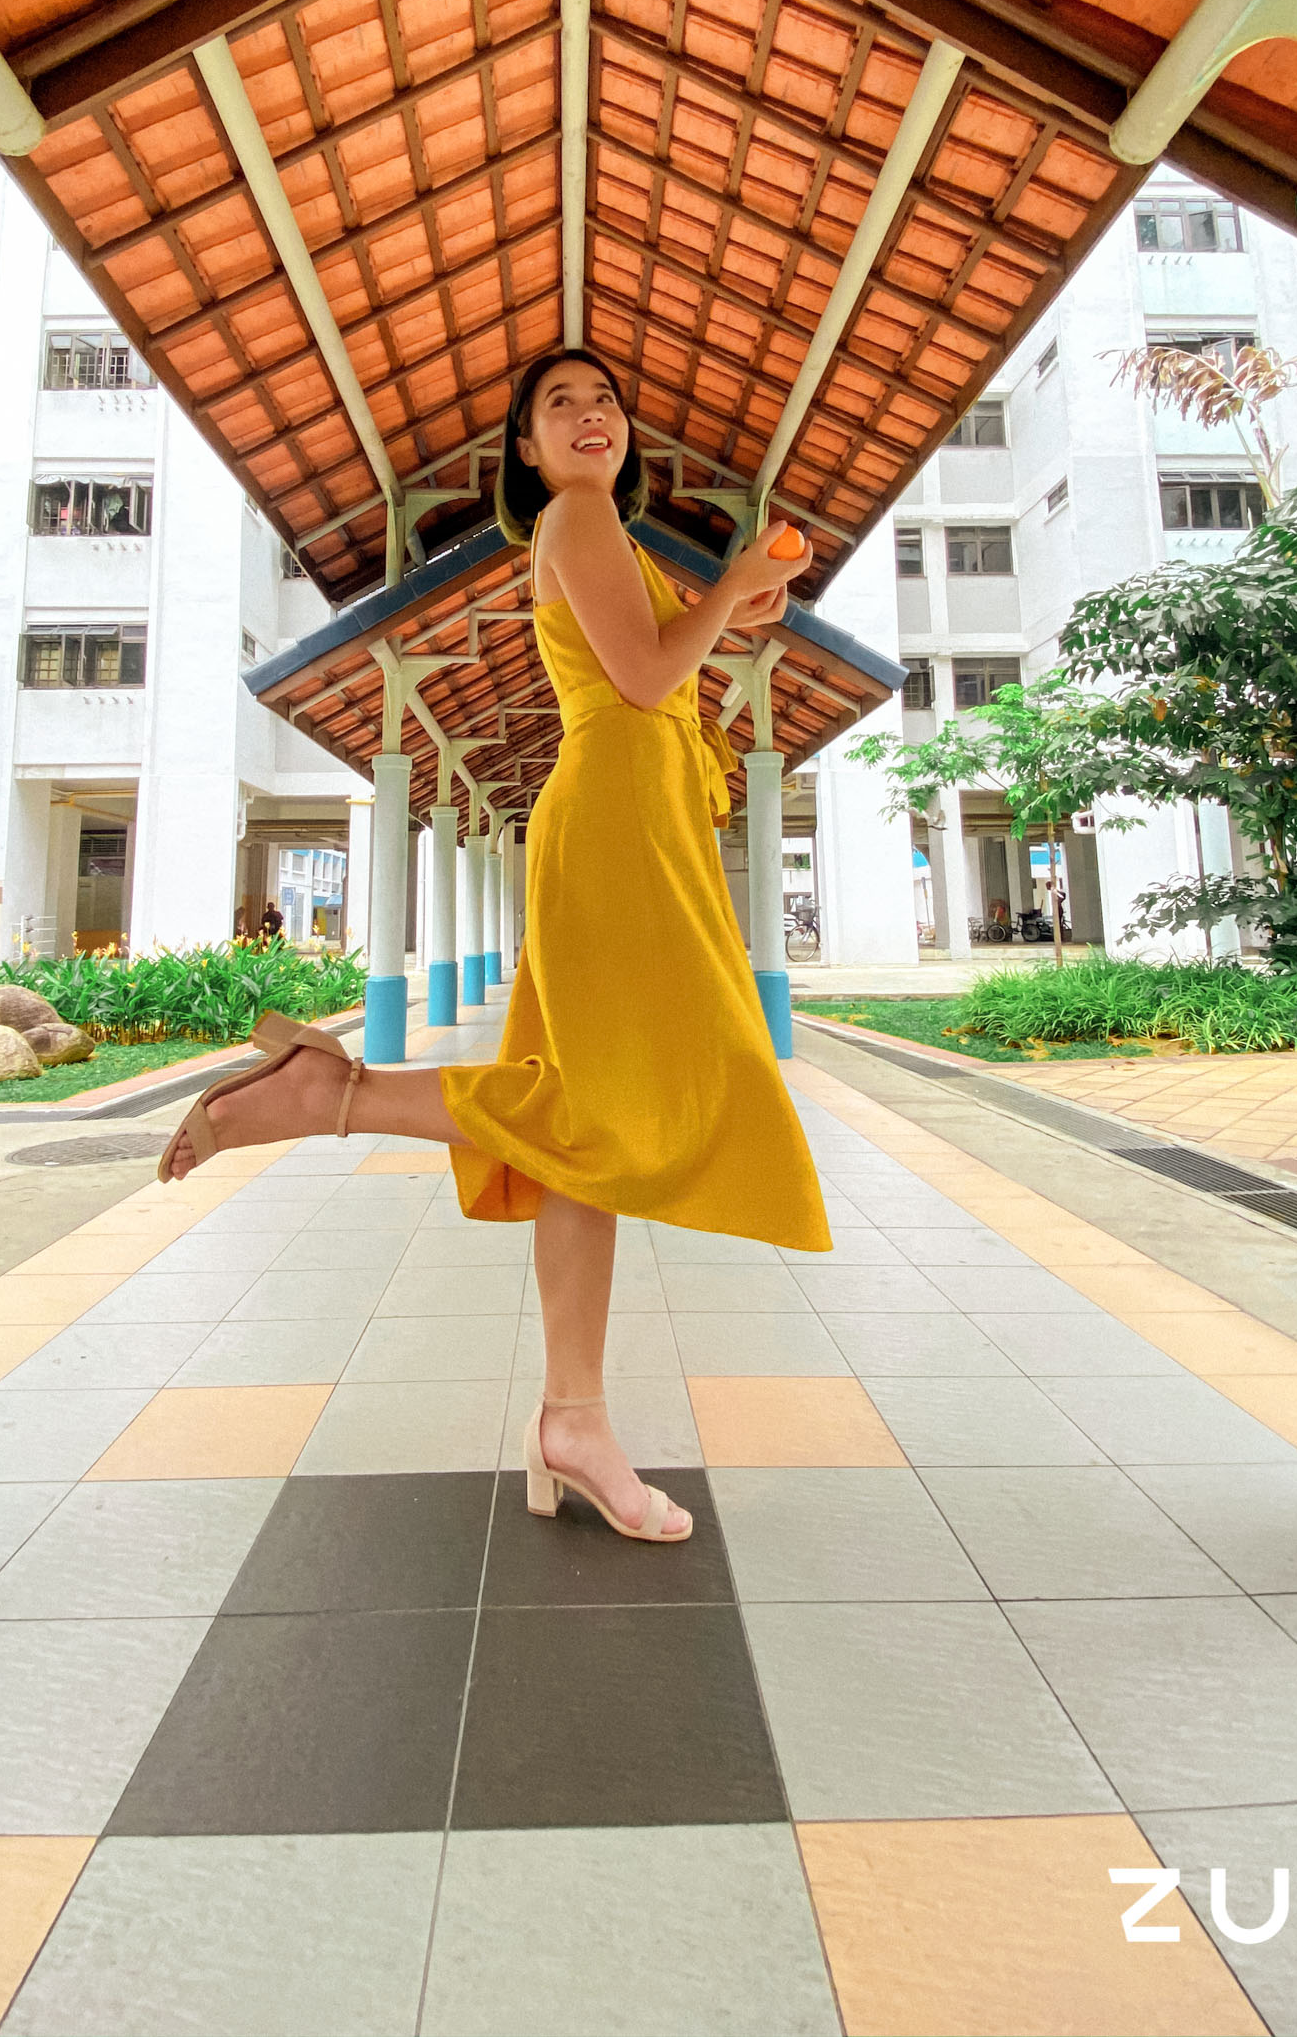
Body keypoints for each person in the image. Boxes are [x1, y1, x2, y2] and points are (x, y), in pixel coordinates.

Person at [158, 347, 830, 1543]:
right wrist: (725, 595)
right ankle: (333, 1096)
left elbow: (652, 665)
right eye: (558, 405)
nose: (590, 416)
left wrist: (724, 606)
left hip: (632, 820)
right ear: (526, 450)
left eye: (607, 401)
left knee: (584, 1113)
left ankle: (574, 1416)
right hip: (621, 827)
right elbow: (642, 675)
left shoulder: (601, 538)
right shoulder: (578, 517)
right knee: (631, 1101)